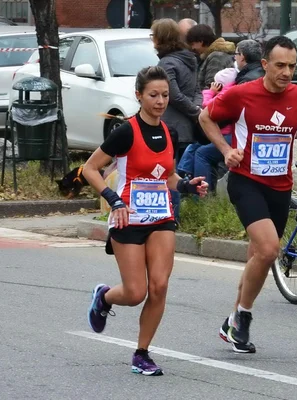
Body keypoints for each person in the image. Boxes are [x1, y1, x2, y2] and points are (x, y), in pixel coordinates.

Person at [82, 66, 208, 376]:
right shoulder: (125, 131)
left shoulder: (170, 132)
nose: (161, 101)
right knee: (135, 292)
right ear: (139, 96)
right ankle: (105, 297)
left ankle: (142, 353)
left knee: (160, 286)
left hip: (161, 217)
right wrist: (114, 200)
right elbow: (89, 169)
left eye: (165, 95)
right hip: (129, 218)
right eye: (153, 95)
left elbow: (166, 177)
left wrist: (188, 185)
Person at [198, 36, 297, 353]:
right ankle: (244, 317)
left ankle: (231, 323)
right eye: (280, 65)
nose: (287, 72)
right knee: (268, 250)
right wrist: (226, 150)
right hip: (246, 181)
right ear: (265, 64)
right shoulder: (242, 94)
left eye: (292, 66)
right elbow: (205, 117)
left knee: (258, 257)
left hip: (281, 186)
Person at [152, 18, 203, 221]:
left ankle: (171, 217)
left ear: (160, 38)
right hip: (187, 127)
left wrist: (194, 112)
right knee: (179, 172)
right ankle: (179, 213)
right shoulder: (189, 59)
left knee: (168, 174)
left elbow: (171, 95)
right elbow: (196, 90)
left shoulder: (166, 63)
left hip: (170, 127)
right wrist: (197, 111)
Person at [186, 24, 235, 90]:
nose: (192, 48)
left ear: (201, 41)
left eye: (193, 44)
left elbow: (211, 87)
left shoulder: (216, 57)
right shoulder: (214, 56)